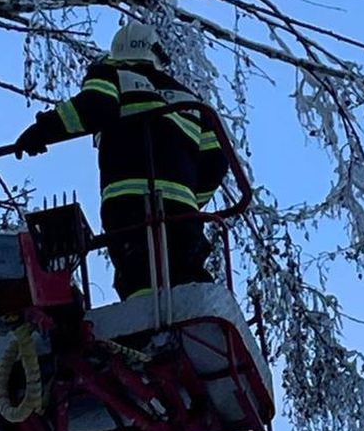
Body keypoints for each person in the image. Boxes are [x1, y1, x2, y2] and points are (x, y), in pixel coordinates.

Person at [14, 20, 228, 300]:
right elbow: (217, 160)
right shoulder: (190, 99)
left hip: (128, 201)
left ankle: (146, 339)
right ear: (157, 55)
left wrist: (42, 130)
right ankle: (196, 328)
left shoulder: (111, 73)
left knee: (138, 276)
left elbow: (94, 107)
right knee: (184, 272)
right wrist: (189, 197)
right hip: (181, 208)